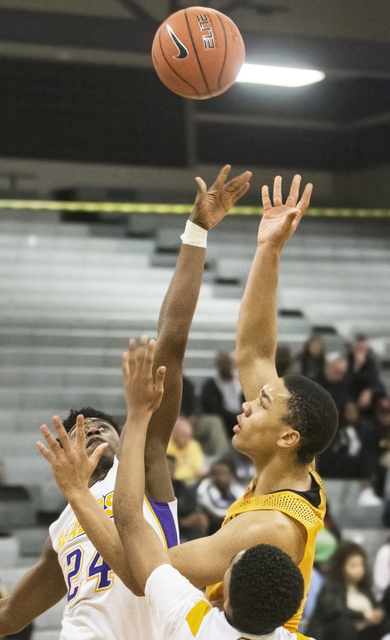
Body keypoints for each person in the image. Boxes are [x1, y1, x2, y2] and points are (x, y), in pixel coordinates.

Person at [0, 165, 252, 639]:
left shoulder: (143, 465)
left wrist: (195, 232)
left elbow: (171, 344)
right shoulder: (62, 527)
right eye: (79, 428)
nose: (92, 428)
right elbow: (9, 617)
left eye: (102, 425)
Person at [113, 336, 309, 640]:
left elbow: (130, 527)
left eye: (229, 565)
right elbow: (254, 354)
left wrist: (137, 416)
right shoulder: (303, 488)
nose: (247, 407)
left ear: (224, 600)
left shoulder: (191, 620)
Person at [307, 541, 390, 640]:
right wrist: (362, 615)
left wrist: (377, 614)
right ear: (342, 566)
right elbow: (334, 610)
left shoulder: (364, 588)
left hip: (363, 633)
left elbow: (375, 607)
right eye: (353, 566)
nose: (359, 570)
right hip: (334, 634)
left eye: (361, 565)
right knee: (344, 625)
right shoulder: (331, 587)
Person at [201, 351, 244, 438]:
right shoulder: (211, 385)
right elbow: (214, 408)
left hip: (242, 414)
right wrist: (233, 415)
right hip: (225, 418)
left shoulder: (240, 381)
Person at [196, 459, 243, 535]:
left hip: (230, 526)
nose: (220, 477)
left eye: (224, 473)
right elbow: (218, 512)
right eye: (217, 473)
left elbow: (243, 508)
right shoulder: (204, 487)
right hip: (210, 529)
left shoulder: (236, 487)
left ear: (232, 474)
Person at [166, 416, 208, 485]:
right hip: (172, 483)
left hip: (192, 483)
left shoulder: (193, 445)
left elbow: (199, 469)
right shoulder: (166, 446)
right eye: (184, 436)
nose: (188, 440)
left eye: (190, 436)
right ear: (173, 434)